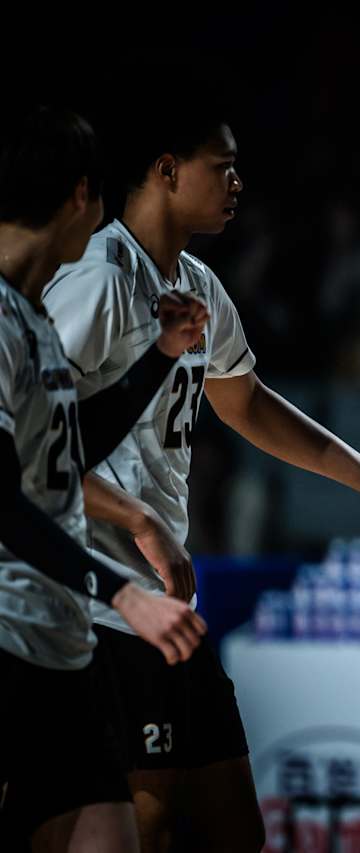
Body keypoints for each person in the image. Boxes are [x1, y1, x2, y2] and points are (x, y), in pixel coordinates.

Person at [42, 103, 360, 853]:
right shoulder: (98, 280)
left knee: (233, 827)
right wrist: (138, 520)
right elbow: (34, 448)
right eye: (222, 167)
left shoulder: (197, 285)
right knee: (139, 823)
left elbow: (245, 402)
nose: (237, 183)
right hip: (98, 603)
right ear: (166, 171)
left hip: (165, 603)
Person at [0, 107, 210, 853]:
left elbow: (65, 449)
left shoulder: (29, 314)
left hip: (57, 642)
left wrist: (159, 356)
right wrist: (122, 592)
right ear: (82, 196)